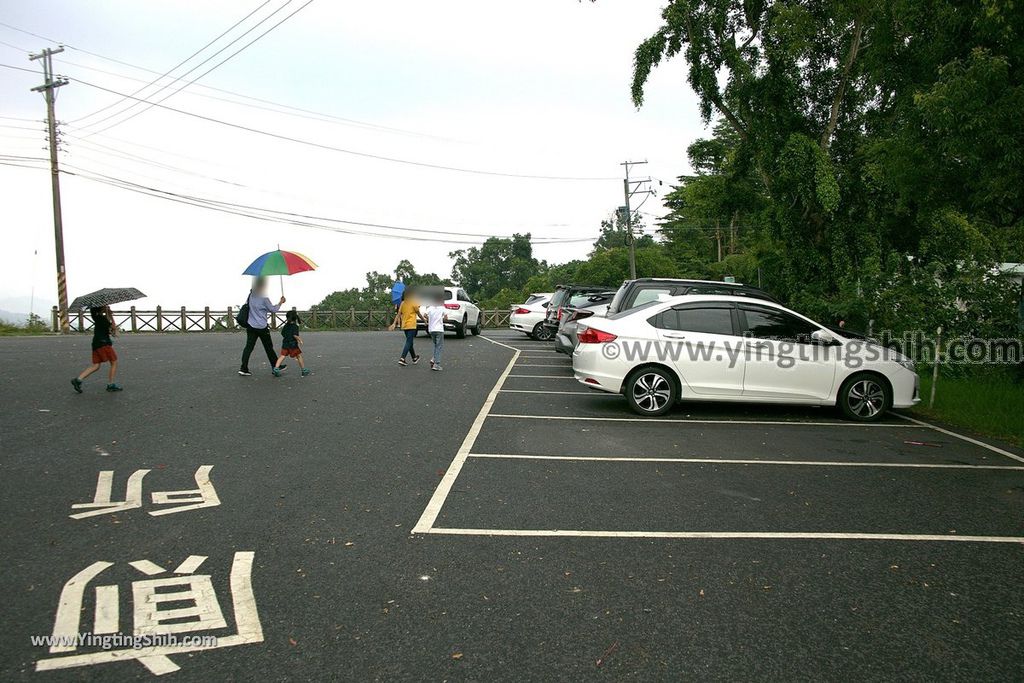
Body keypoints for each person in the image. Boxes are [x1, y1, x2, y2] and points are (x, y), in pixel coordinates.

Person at [240, 277, 286, 376]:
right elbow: (273, 310)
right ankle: (275, 366)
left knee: (248, 347)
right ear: (262, 286)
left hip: (251, 326)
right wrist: (280, 302)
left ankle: (243, 368)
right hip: (262, 327)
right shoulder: (264, 299)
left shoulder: (251, 296)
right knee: (269, 348)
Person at [71, 306, 122, 393]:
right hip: (104, 343)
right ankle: (110, 384)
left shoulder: (96, 317)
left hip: (96, 344)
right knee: (114, 363)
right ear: (100, 309)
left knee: (96, 365)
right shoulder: (102, 319)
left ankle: (78, 380)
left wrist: (107, 313)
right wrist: (110, 315)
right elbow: (113, 327)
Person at [388, 288, 424, 366]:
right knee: (409, 342)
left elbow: (398, 314)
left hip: (404, 325)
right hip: (411, 325)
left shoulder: (403, 303)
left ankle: (414, 358)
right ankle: (402, 358)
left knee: (409, 342)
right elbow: (418, 313)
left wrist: (394, 323)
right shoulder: (414, 302)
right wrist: (424, 320)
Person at [273, 309, 310, 377]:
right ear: (295, 318)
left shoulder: (285, 326)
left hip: (285, 343)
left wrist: (287, 337)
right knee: (299, 356)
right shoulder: (295, 326)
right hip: (293, 345)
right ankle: (304, 370)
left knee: (282, 356)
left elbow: (283, 333)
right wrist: (300, 340)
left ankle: (276, 368)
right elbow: (295, 335)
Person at [422, 293, 447, 371]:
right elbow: (446, 318)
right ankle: (436, 364)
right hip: (439, 329)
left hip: (431, 329)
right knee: (439, 347)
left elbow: (424, 315)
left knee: (436, 345)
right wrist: (441, 319)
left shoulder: (430, 308)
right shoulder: (442, 308)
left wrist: (430, 319)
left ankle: (433, 359)